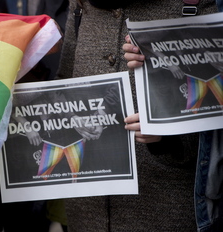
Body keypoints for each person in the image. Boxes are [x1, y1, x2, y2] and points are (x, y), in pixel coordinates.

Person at [55, 0, 217, 231]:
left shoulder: (195, 3)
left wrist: (167, 127)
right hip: (86, 210)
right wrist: (69, 113)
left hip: (165, 208)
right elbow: (64, 82)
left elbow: (214, 109)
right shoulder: (81, 4)